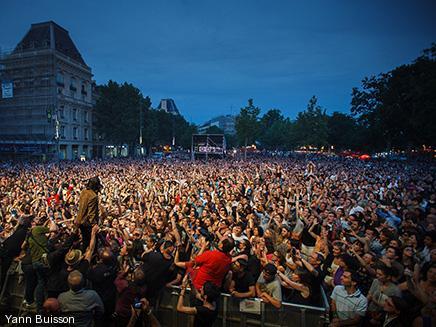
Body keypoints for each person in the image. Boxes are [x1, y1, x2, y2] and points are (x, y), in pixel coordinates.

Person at [75, 176, 102, 250]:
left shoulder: (83, 192)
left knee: (85, 242)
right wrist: (94, 225)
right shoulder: (93, 196)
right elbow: (91, 213)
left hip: (80, 221)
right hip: (88, 224)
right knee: (91, 244)